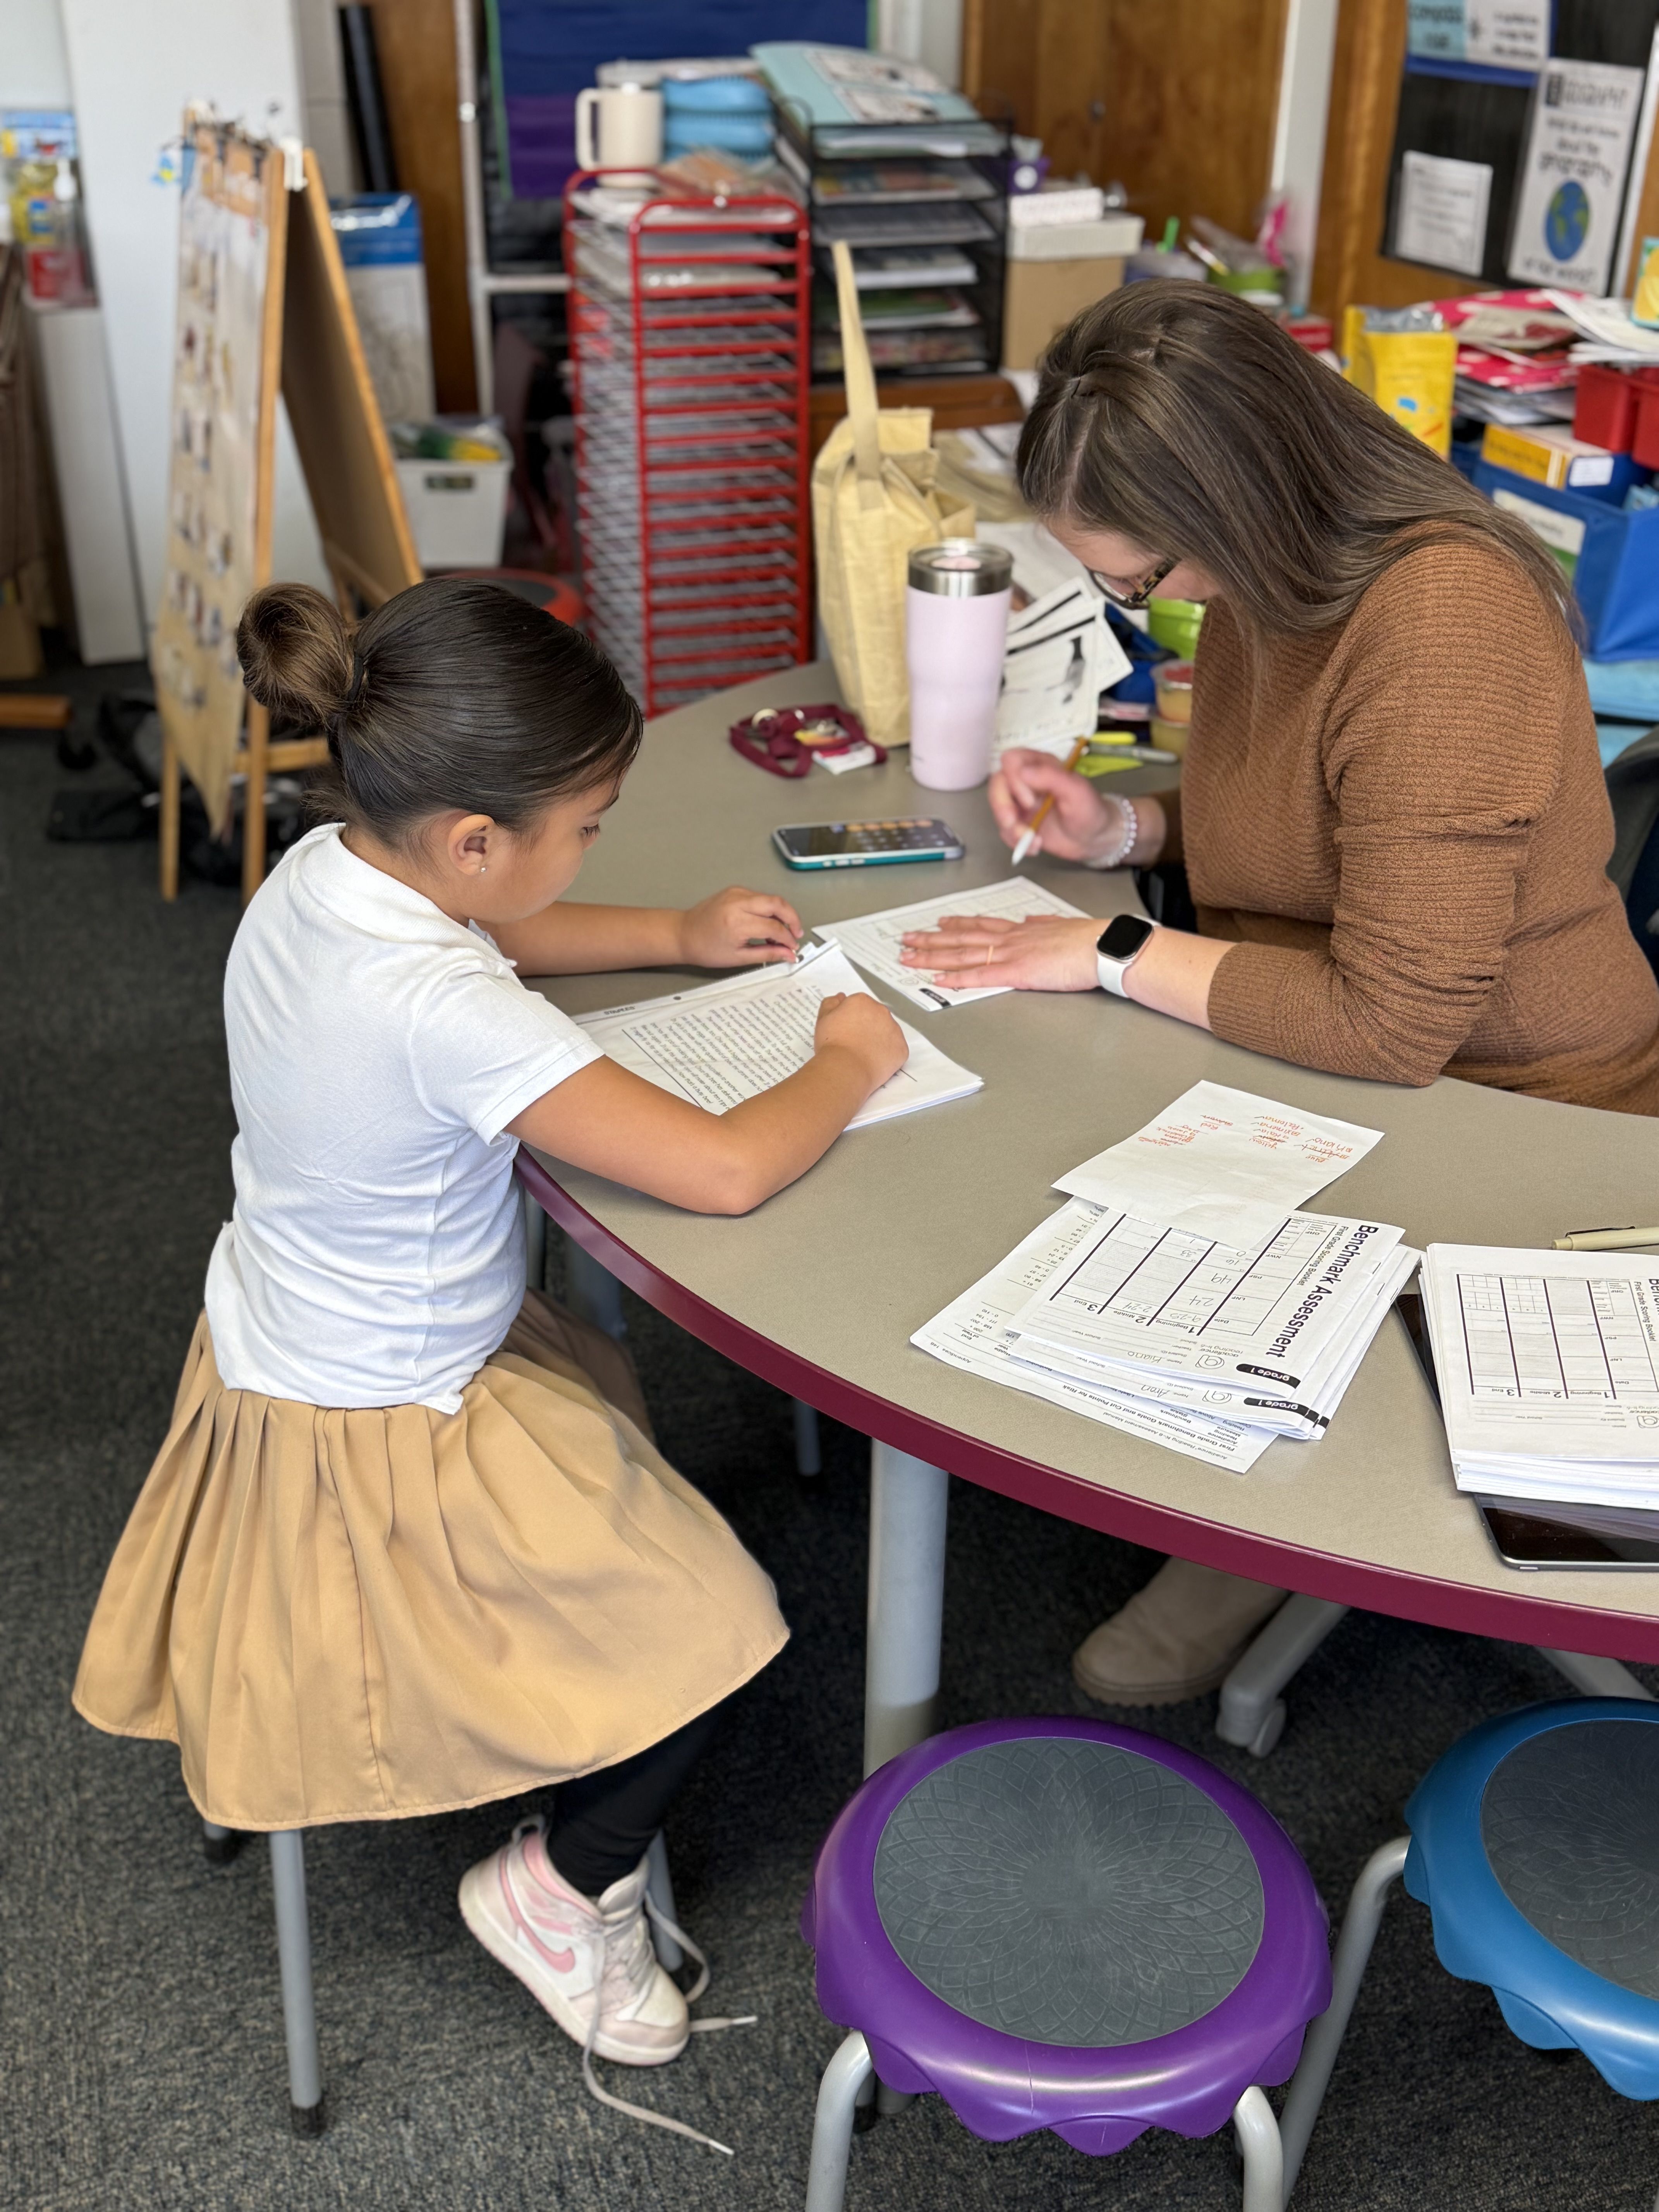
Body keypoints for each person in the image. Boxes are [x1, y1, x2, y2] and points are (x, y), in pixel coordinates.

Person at [73, 577, 906, 2148]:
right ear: (474, 840)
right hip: (390, 1434)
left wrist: (668, 933)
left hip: (285, 1350)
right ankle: (551, 1888)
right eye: (587, 827)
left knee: (601, 1394)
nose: (591, 851)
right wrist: (849, 1061)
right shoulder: (442, 1003)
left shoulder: (324, 868)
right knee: (728, 1622)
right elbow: (720, 1172)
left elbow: (496, 931)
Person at [900, 281, 1659, 1709]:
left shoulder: (1443, 622)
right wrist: (1120, 835)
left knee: (1111, 1245)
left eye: (1138, 579)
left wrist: (1107, 951)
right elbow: (1321, 825)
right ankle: (1254, 1490)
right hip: (1329, 1063)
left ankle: (1272, 1518)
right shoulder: (1273, 578)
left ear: (1236, 497)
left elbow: (1391, 1014)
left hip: (1516, 1113)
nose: (1145, 608)